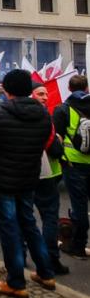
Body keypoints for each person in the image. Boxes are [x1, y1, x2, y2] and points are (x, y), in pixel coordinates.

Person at [0, 69, 56, 298]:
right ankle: (46, 273)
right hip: (28, 177)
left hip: (1, 179)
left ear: (5, 90)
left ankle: (16, 282)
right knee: (29, 223)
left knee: (9, 228)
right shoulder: (43, 114)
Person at [30, 81, 69, 274]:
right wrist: (58, 142)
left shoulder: (14, 114)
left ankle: (21, 257)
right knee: (49, 218)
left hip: (28, 174)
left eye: (46, 94)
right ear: (30, 95)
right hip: (45, 174)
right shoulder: (44, 117)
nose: (45, 97)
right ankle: (50, 260)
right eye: (40, 94)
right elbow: (53, 147)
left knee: (26, 217)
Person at [52, 73, 90, 259]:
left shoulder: (63, 109)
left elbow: (57, 138)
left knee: (79, 206)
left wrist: (60, 158)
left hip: (73, 163)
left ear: (69, 88)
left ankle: (77, 246)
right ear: (87, 88)